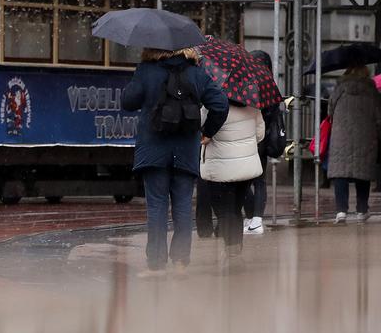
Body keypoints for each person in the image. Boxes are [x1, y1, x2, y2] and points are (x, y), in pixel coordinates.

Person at [121, 46, 229, 277]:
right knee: (182, 206)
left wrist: (139, 80)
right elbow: (220, 105)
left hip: (154, 150)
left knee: (157, 207)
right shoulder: (197, 73)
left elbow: (128, 102)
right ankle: (180, 263)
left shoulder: (146, 71)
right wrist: (208, 132)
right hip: (186, 151)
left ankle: (156, 265)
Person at [199, 101, 265, 260]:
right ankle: (235, 248)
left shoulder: (212, 104)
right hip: (246, 166)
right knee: (236, 207)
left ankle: (231, 247)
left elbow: (202, 128)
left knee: (223, 209)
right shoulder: (252, 105)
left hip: (220, 166)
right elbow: (260, 134)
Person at [325, 65, 381, 223]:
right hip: (365, 136)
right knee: (362, 173)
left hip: (340, 137)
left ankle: (341, 210)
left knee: (340, 173)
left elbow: (329, 112)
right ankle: (362, 210)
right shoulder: (372, 91)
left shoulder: (339, 88)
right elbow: (379, 117)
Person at [244, 49, 285, 235]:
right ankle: (257, 219)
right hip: (263, 140)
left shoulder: (246, 85)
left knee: (243, 179)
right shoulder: (271, 86)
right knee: (259, 180)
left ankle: (251, 217)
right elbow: (273, 112)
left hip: (247, 138)